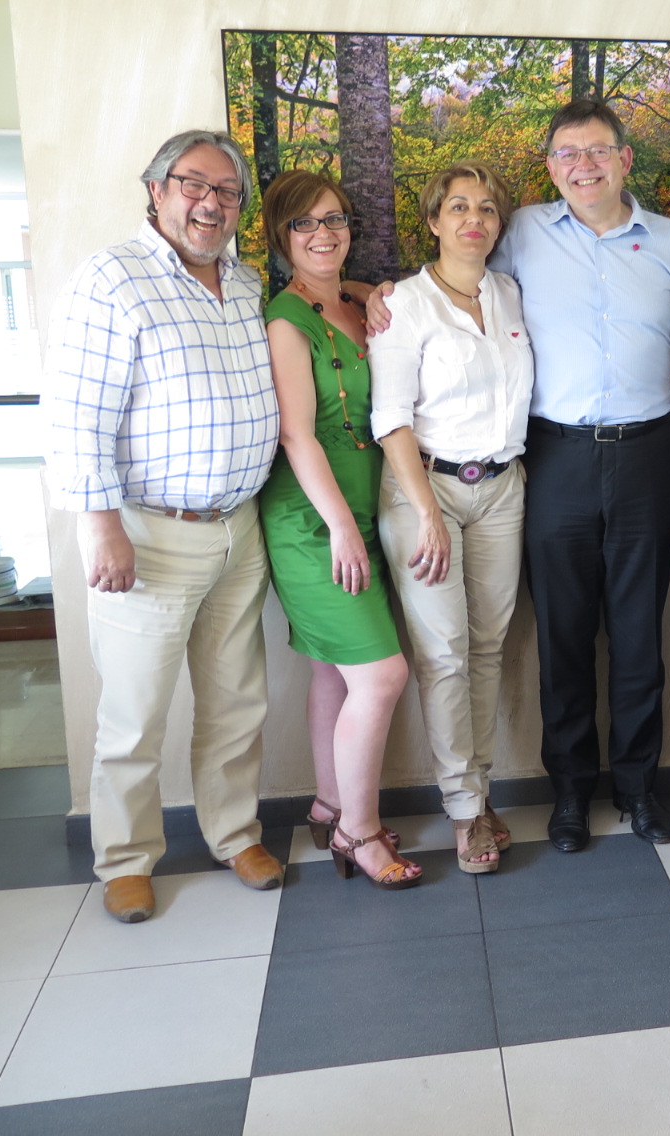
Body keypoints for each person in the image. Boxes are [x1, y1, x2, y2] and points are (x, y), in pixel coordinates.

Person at [45, 130, 284, 923]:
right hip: (148, 535)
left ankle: (234, 834)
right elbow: (77, 417)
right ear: (156, 190)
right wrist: (100, 527)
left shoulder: (245, 283)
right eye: (194, 185)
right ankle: (124, 859)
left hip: (239, 531)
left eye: (227, 191)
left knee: (236, 702)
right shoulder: (113, 278)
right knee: (135, 713)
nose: (211, 203)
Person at [491, 100, 670, 851]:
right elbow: (461, 294)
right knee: (565, 635)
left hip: (650, 454)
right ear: (551, 167)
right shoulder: (521, 233)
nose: (584, 165)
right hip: (556, 458)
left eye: (599, 150)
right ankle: (571, 793)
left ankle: (640, 787)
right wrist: (376, 293)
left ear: (624, 160)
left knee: (641, 634)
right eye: (568, 153)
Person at [255, 170, 420, 890]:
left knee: (334, 669)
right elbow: (297, 435)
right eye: (304, 224)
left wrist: (368, 290)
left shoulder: (355, 304)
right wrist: (342, 530)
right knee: (382, 675)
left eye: (335, 219)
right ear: (281, 237)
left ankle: (329, 803)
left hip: (367, 509)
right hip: (312, 520)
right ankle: (359, 831)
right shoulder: (285, 322)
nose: (323, 234)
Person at [371, 161, 532, 875]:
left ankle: (482, 792)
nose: (474, 219)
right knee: (444, 654)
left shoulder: (509, 294)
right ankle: (465, 811)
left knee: (488, 647)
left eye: (487, 208)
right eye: (459, 206)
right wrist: (425, 514)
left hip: (501, 488)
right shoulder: (404, 304)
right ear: (434, 221)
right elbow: (390, 419)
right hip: (424, 489)